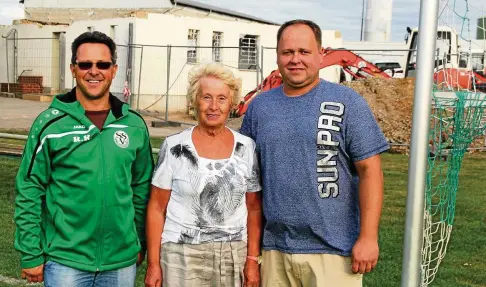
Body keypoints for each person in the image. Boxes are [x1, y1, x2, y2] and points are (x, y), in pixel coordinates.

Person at [240, 19, 389, 286]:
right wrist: (252, 253)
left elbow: (371, 171)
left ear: (321, 55)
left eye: (304, 52)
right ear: (277, 56)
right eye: (287, 52)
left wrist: (368, 237)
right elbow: (248, 181)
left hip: (333, 252)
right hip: (275, 249)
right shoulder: (259, 108)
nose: (295, 59)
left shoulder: (347, 102)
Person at [14, 31, 153, 286]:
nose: (94, 71)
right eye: (85, 64)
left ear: (113, 70)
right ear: (73, 69)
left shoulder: (133, 124)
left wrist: (139, 241)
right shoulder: (50, 124)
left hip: (120, 263)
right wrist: (31, 252)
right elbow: (29, 188)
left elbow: (141, 188)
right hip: (65, 261)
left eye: (102, 64)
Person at [144, 63, 263, 287]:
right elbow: (156, 208)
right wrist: (153, 264)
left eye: (221, 98)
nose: (213, 106)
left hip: (232, 254)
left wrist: (251, 259)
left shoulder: (247, 148)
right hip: (180, 255)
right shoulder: (174, 146)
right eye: (206, 97)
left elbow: (254, 207)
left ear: (232, 103)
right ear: (194, 101)